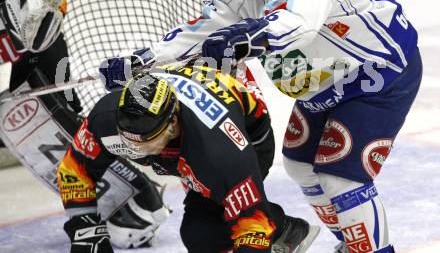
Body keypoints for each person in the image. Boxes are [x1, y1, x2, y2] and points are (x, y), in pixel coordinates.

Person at [99, 0, 423, 253]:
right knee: (300, 166)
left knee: (340, 177)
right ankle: (352, 245)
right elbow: (203, 29)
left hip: (376, 74)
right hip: (323, 85)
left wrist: (250, 36)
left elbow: (298, 24)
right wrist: (145, 59)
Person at [0, 0, 170, 249]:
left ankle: (120, 195)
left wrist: (30, 24)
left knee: (58, 116)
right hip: (19, 35)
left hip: (34, 38)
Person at [58, 63, 320, 252]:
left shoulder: (220, 153)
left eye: (149, 140)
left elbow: (253, 225)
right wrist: (85, 228)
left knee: (231, 216)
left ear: (173, 123)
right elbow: (73, 170)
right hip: (191, 134)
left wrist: (257, 235)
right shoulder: (105, 120)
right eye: (127, 141)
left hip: (249, 136)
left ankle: (286, 228)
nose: (137, 150)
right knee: (199, 236)